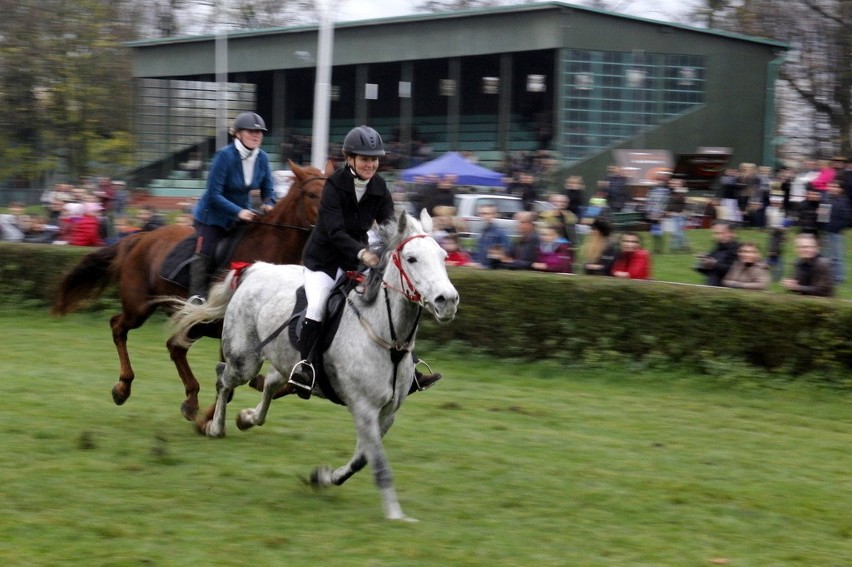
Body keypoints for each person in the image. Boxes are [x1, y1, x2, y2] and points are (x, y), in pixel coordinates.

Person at [288, 125, 441, 398]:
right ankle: (305, 366)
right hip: (323, 260)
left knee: (391, 301)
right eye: (364, 159)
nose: (370, 164)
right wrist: (363, 253)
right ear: (350, 159)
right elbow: (334, 232)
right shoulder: (333, 186)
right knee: (318, 305)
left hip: (356, 259)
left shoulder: (379, 186)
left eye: (374, 159)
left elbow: (388, 226)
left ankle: (412, 368)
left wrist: (402, 241)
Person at [187, 112, 275, 304]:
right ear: (238, 134)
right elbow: (213, 195)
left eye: (259, 132)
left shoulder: (263, 158)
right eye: (251, 131)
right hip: (212, 216)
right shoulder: (224, 156)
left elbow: (268, 189)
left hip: (242, 216)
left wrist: (269, 204)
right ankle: (197, 295)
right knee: (206, 250)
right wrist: (238, 211)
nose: (256, 135)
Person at [781, 233, 835, 297]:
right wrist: (789, 284)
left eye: (807, 247)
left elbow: (822, 290)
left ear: (816, 249)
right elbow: (797, 287)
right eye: (799, 247)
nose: (804, 250)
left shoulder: (824, 264)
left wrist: (796, 287)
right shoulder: (797, 263)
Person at [694, 220, 739, 286]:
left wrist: (714, 264)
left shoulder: (738, 250)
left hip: (727, 290)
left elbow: (735, 271)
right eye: (714, 233)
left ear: (731, 233)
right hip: (712, 288)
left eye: (719, 233)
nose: (715, 236)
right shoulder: (717, 247)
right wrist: (702, 264)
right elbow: (710, 271)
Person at [471, 203, 511, 269]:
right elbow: (477, 251)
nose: (485, 216)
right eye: (483, 213)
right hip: (479, 268)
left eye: (488, 213)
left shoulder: (500, 232)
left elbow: (506, 252)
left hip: (493, 269)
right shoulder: (481, 232)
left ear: (494, 215)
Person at [824, 180, 850, 282]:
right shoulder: (827, 199)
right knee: (827, 255)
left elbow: (846, 217)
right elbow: (823, 215)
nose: (833, 189)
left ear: (840, 189)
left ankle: (838, 278)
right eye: (831, 186)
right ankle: (828, 276)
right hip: (827, 231)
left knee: (837, 256)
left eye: (836, 187)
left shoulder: (843, 201)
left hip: (836, 232)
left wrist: (839, 227)